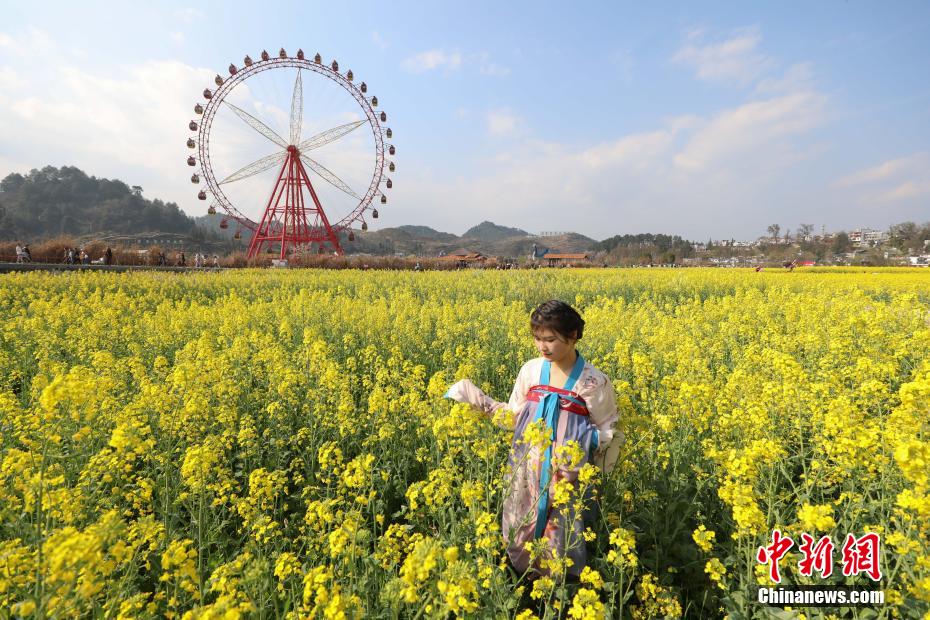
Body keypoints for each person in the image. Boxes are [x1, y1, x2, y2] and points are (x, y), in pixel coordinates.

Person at [444, 300, 622, 579]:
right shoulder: (530, 370)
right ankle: (525, 580)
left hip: (566, 476)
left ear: (573, 335)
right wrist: (480, 402)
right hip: (526, 467)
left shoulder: (593, 381)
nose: (543, 347)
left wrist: (581, 449)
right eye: (538, 339)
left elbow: (608, 427)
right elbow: (514, 416)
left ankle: (560, 589)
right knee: (521, 521)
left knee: (561, 532)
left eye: (550, 339)